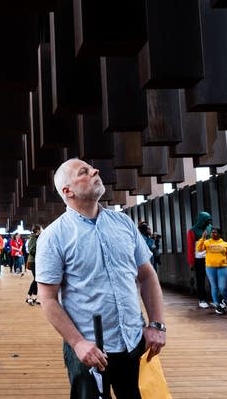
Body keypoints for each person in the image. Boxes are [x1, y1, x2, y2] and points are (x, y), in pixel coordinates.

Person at [36, 158, 166, 399]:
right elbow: (48, 299)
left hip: (133, 342)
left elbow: (147, 276)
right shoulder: (54, 236)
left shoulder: (123, 223)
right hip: (88, 348)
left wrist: (156, 324)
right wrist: (77, 343)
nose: (95, 171)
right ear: (68, 191)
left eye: (92, 168)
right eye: (84, 172)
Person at [196, 227, 227, 315]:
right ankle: (217, 305)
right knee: (214, 287)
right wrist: (202, 238)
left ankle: (226, 301)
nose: (213, 234)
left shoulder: (225, 244)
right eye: (212, 232)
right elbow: (199, 249)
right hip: (210, 268)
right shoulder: (207, 242)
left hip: (222, 268)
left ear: (220, 234)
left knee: (222, 288)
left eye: (215, 232)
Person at [187, 212, 212, 309]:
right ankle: (202, 299)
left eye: (209, 220)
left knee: (212, 280)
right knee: (200, 280)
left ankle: (213, 299)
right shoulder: (192, 231)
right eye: (207, 220)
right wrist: (191, 262)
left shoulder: (210, 228)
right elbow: (190, 247)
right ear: (202, 220)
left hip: (211, 258)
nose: (208, 222)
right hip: (199, 259)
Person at [26, 224, 42, 305]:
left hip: (36, 261)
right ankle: (29, 296)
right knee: (36, 279)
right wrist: (40, 254)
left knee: (37, 279)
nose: (42, 230)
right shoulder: (32, 238)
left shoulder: (37, 238)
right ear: (38, 230)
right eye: (41, 228)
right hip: (33, 262)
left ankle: (35, 297)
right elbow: (31, 250)